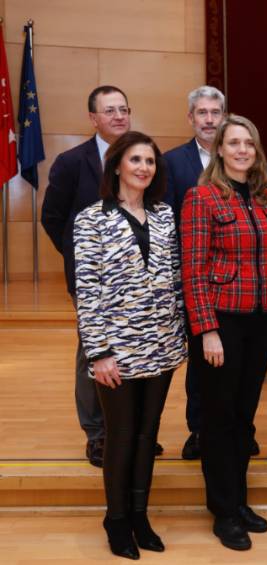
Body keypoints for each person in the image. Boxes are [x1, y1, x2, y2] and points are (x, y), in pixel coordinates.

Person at [181, 114, 267, 551]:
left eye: (249, 143)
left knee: (244, 417)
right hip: (222, 323)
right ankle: (223, 511)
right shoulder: (202, 197)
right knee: (218, 418)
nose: (242, 150)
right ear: (220, 150)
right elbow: (193, 271)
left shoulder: (265, 198)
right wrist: (206, 330)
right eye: (234, 143)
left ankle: (239, 500)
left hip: (262, 321)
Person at [74, 131, 187, 559]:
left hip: (162, 345)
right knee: (120, 436)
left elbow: (174, 278)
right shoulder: (91, 219)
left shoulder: (164, 215)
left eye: (150, 161)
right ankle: (116, 519)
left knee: (147, 434)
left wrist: (180, 334)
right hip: (116, 352)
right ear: (117, 165)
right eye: (136, 160)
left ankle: (140, 515)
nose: (144, 168)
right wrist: (99, 352)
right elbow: (87, 292)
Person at [42, 85, 134, 468]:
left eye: (124, 109)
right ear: (93, 118)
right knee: (94, 352)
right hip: (90, 281)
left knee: (131, 351)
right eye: (109, 110)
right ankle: (97, 435)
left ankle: (128, 431)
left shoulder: (142, 157)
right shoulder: (71, 162)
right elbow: (53, 218)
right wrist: (82, 259)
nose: (119, 116)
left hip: (135, 279)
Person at [162, 85, 227, 460]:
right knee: (202, 360)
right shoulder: (172, 163)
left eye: (215, 112)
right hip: (195, 278)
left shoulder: (240, 156)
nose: (209, 120)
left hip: (235, 281)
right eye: (202, 113)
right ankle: (199, 430)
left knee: (235, 360)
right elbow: (167, 223)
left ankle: (238, 430)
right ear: (190, 118)